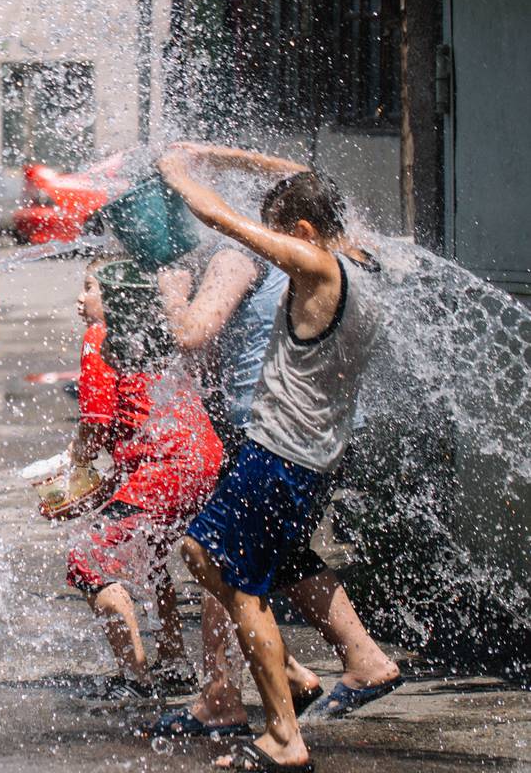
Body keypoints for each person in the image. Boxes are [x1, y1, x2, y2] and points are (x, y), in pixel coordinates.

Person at [139, 150, 400, 742]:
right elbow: (306, 181)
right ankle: (308, 678)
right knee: (261, 562)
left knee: (222, 566)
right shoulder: (364, 258)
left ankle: (277, 725)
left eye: (282, 240)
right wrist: (209, 155)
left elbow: (222, 220)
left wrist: (181, 179)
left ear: (303, 235)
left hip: (279, 452)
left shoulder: (318, 267)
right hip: (315, 453)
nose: (273, 254)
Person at [60, 264, 222, 700]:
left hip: (165, 465)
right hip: (202, 458)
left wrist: (75, 464)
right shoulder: (153, 328)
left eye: (90, 287)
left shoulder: (99, 339)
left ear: (114, 294)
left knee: (88, 557)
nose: (80, 298)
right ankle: (174, 661)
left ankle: (135, 677)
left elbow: (95, 423)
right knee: (148, 557)